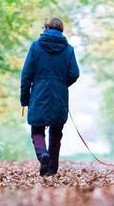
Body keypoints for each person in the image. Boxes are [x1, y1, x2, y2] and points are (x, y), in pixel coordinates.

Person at [21, 17, 80, 176]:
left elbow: (26, 75)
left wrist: (24, 99)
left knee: (37, 130)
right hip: (59, 95)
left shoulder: (35, 47)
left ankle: (43, 155)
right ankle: (52, 169)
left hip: (39, 93)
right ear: (62, 30)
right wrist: (62, 83)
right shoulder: (68, 49)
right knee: (56, 133)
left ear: (46, 28)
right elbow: (74, 73)